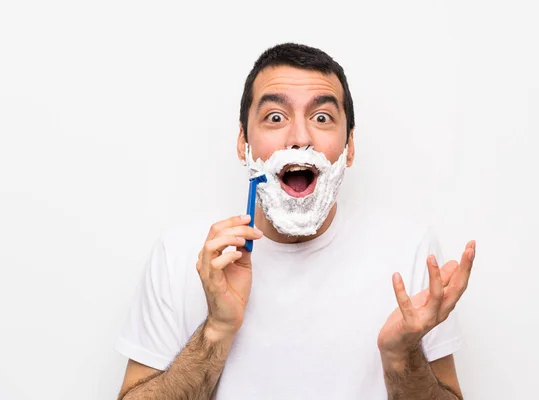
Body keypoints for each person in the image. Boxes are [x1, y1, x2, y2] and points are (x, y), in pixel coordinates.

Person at [115, 43, 476, 400]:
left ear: (349, 146)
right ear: (244, 143)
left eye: (322, 118)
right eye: (275, 117)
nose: (301, 138)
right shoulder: (181, 254)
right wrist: (217, 330)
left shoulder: (408, 250)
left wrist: (402, 358)